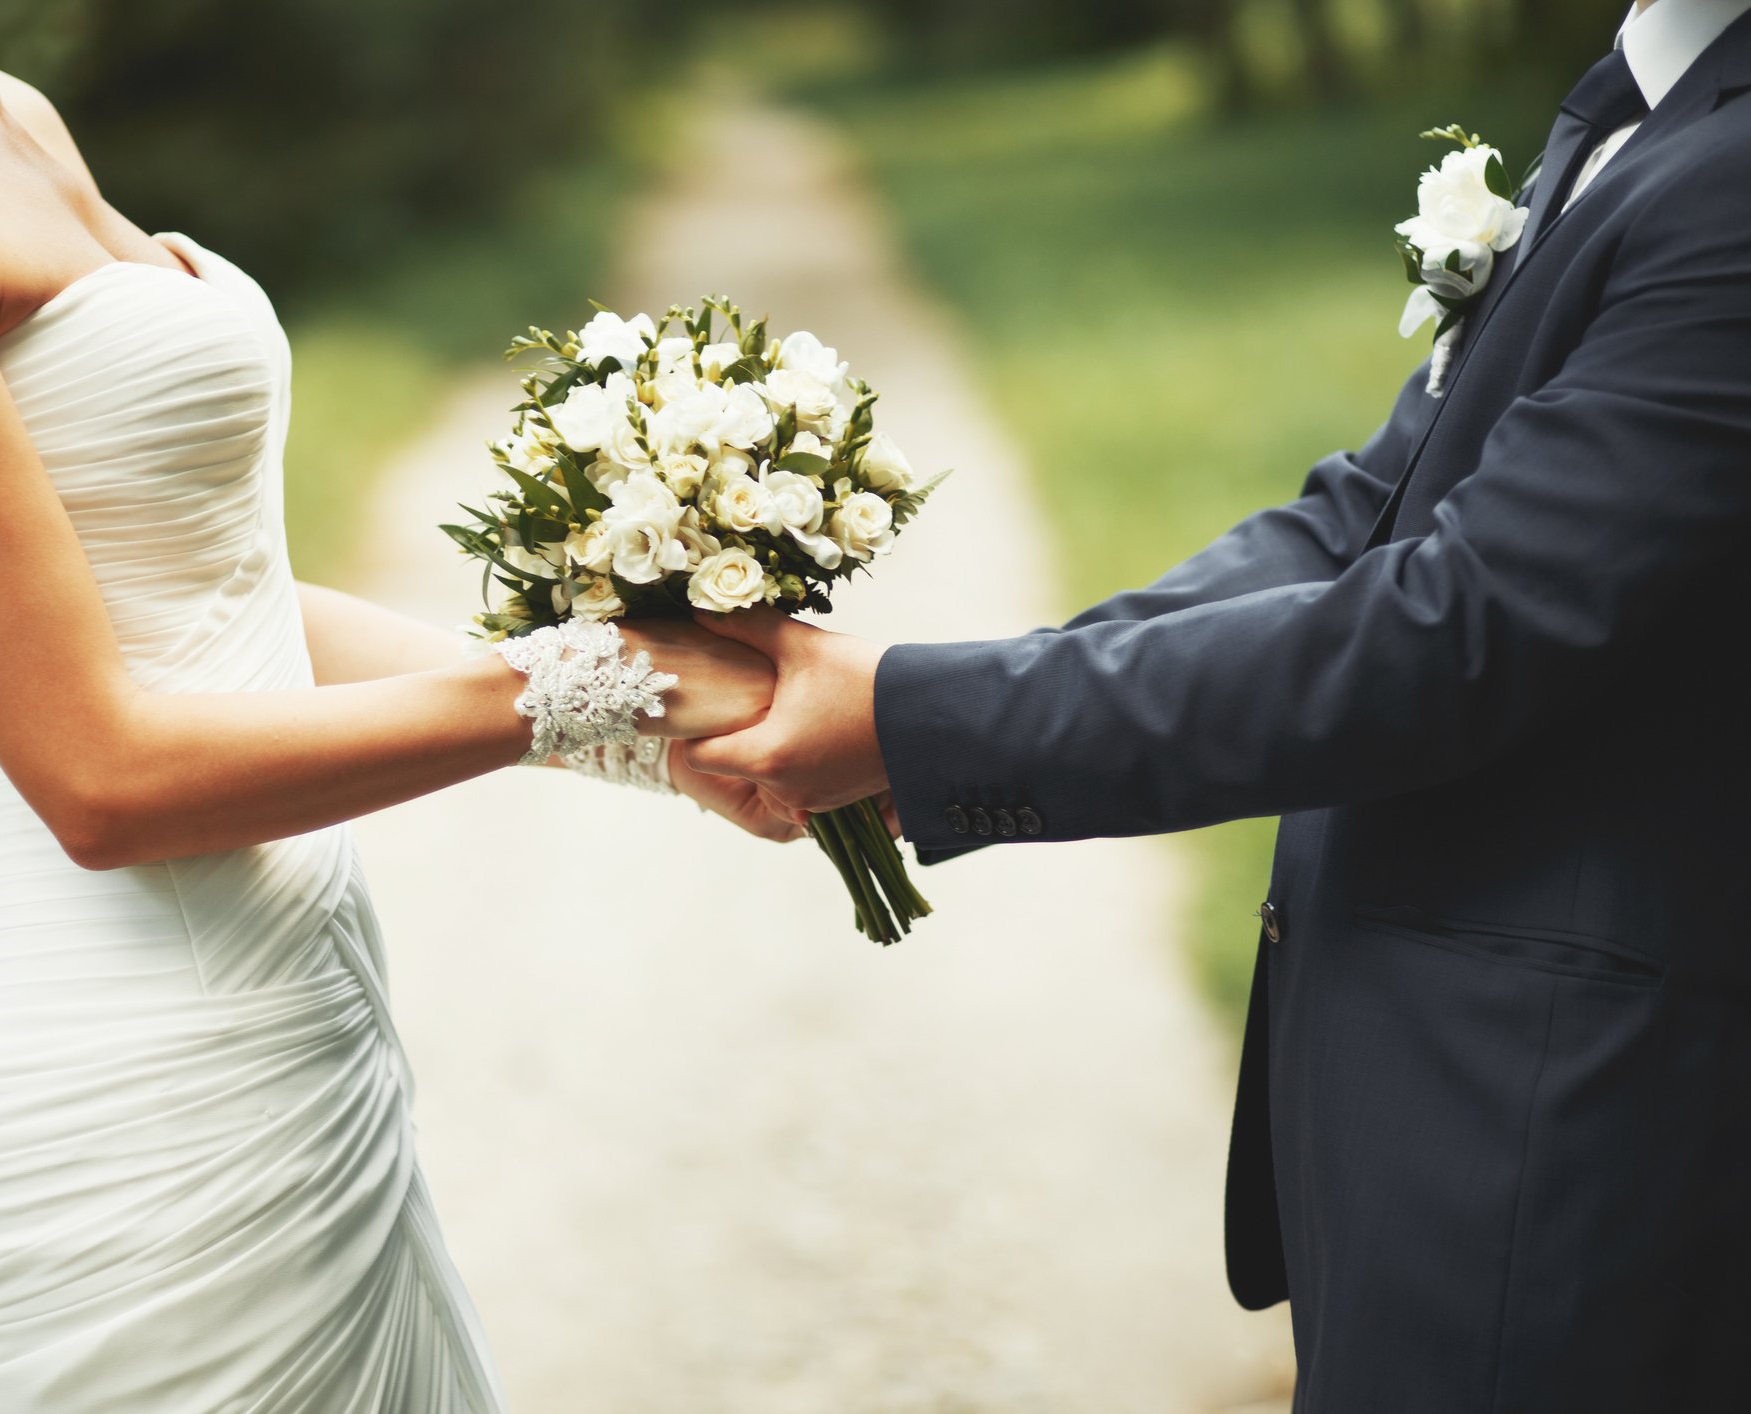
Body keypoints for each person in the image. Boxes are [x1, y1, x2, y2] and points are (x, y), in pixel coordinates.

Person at [0, 0, 792, 1408]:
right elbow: (100, 775)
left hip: (300, 1023)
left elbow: (214, 606)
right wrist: (601, 679)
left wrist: (647, 729)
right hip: (123, 1090)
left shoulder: (10, 116)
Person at [687, 0, 1751, 1407]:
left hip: (1562, 1142)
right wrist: (937, 702)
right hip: (1431, 1119)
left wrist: (912, 722)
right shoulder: (1645, 109)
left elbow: (1455, 631)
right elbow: (1362, 514)